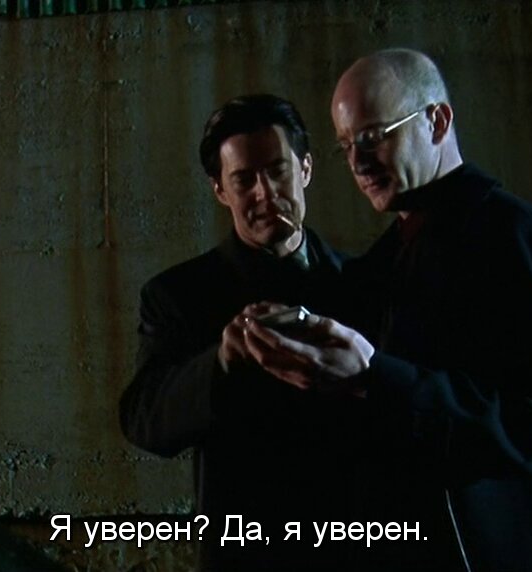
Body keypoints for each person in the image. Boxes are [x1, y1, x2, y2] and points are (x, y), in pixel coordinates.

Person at [242, 49, 532, 571]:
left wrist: (376, 378)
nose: (358, 163)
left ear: (437, 121)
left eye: (374, 137)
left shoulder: (523, 243)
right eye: (346, 146)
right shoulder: (392, 257)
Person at [119, 94, 360, 571]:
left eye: (277, 171)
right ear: (220, 191)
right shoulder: (178, 295)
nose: (265, 194)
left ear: (306, 169)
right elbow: (145, 421)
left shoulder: (363, 283)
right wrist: (221, 361)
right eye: (244, 179)